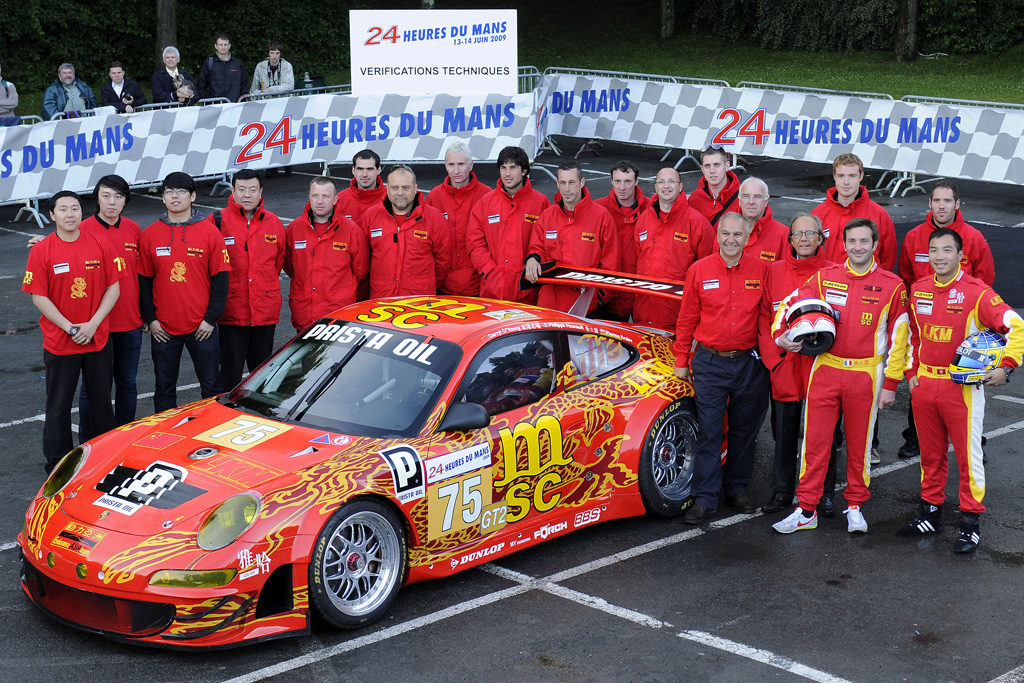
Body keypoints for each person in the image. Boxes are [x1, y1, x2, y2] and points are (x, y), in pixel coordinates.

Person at [771, 217, 909, 535]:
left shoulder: (893, 285)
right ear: (843, 244)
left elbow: (901, 338)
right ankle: (806, 509)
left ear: (875, 245)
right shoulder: (825, 276)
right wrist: (782, 335)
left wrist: (890, 383)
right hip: (826, 368)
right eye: (851, 241)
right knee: (815, 444)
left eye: (864, 241)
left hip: (866, 373)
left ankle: (856, 506)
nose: (857, 247)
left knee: (860, 446)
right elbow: (790, 303)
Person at [896, 228, 1022, 553]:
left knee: (969, 459)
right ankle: (931, 514)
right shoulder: (919, 288)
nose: (939, 257)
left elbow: (1015, 325)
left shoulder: (977, 292)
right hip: (924, 386)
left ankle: (969, 524)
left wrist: (1006, 366)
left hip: (961, 389)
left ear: (960, 255)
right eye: (934, 250)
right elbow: (912, 336)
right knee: (931, 456)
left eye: (947, 250)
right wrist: (911, 374)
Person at [673, 212, 770, 523]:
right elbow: (686, 318)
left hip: (749, 363)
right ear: (718, 236)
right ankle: (704, 497)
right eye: (726, 234)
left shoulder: (762, 270)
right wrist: (680, 360)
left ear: (747, 236)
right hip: (710, 362)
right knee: (709, 432)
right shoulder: (699, 270)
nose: (731, 240)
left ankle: (737, 488)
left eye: (737, 235)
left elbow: (770, 317)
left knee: (744, 431)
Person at [895, 180, 995, 459]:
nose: (942, 206)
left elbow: (985, 280)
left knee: (968, 382)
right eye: (937, 201)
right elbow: (906, 279)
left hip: (964, 324)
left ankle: (974, 440)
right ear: (929, 203)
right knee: (921, 380)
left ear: (957, 204)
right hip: (925, 323)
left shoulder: (973, 238)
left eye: (947, 201)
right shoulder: (915, 236)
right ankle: (915, 437)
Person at [22, 191, 121, 472]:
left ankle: (105, 455)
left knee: (102, 402)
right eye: (63, 209)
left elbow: (113, 287)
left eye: (75, 208)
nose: (70, 214)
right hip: (60, 343)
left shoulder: (100, 244)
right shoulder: (42, 251)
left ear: (82, 213)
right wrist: (70, 327)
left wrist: (92, 325)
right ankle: (58, 463)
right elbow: (39, 297)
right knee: (58, 406)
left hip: (97, 339)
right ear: (52, 215)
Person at [758, 214, 832, 513]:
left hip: (821, 365)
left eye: (810, 233)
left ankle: (824, 492)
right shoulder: (774, 271)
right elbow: (764, 315)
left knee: (822, 433)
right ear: (789, 240)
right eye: (797, 234)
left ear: (820, 239)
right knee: (784, 433)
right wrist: (774, 353)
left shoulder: (833, 272)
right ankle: (782, 491)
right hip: (785, 364)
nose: (803, 239)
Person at [138, 172, 229, 412]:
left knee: (211, 388)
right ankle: (164, 439)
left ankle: (213, 432)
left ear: (193, 196)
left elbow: (221, 280)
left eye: (181, 191)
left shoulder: (210, 232)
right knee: (164, 389)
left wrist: (211, 320)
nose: (174, 196)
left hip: (202, 328)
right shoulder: (149, 235)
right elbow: (144, 281)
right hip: (164, 329)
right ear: (163, 198)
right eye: (169, 191)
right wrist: (152, 320)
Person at [217, 170, 286, 391]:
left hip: (264, 311)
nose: (247, 195)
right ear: (233, 191)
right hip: (231, 312)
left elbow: (278, 262)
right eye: (242, 190)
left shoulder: (274, 223)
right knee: (229, 376)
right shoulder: (217, 221)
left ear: (261, 192)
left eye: (252, 190)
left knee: (263, 378)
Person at [524, 161, 621, 312]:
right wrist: (532, 259)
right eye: (563, 183)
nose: (567, 189)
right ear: (557, 184)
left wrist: (599, 298)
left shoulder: (601, 216)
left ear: (582, 182)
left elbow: (612, 262)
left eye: (572, 182)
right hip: (548, 304)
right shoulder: (547, 216)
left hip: (584, 306)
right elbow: (537, 248)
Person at [632, 167, 714, 330]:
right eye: (662, 182)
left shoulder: (696, 222)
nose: (666, 186)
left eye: (671, 181)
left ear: (680, 186)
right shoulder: (643, 220)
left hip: (679, 315)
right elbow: (637, 260)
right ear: (655, 187)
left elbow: (708, 270)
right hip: (643, 313)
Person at [466, 145, 551, 304]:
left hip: (527, 290)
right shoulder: (486, 202)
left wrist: (535, 261)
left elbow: (547, 243)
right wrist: (489, 270)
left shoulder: (540, 203)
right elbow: (474, 241)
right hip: (492, 290)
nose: (507, 173)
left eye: (513, 167)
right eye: (503, 167)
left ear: (524, 171)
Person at [284, 177, 369, 331]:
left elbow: (360, 270)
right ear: (309, 197)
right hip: (305, 313)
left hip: (338, 315)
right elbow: (290, 267)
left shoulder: (351, 230)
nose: (320, 201)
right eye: (315, 195)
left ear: (336, 199)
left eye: (326, 196)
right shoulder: (294, 229)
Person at [363, 165, 451, 298]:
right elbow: (362, 261)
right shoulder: (371, 216)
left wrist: (424, 285)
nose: (400, 193)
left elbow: (443, 261)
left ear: (415, 189)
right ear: (387, 189)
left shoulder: (434, 218)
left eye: (406, 187)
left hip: (419, 300)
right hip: (381, 299)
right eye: (395, 187)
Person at [426, 142, 490, 296]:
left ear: (471, 165)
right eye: (451, 164)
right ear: (445, 166)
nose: (456, 171)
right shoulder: (434, 197)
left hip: (478, 283)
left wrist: (489, 272)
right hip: (442, 284)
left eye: (461, 164)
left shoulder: (487, 196)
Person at [812, 153, 897, 270]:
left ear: (861, 176)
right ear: (834, 176)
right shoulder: (818, 214)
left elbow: (888, 258)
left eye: (852, 176)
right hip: (827, 284)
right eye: (841, 176)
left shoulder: (880, 215)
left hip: (866, 285)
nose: (846, 182)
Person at [594, 160, 651, 319]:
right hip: (607, 292)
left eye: (627, 182)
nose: (622, 187)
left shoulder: (651, 209)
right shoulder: (598, 209)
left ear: (637, 181)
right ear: (611, 181)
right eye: (617, 181)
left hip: (642, 291)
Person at [737, 177, 788, 262]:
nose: (751, 202)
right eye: (746, 196)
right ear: (739, 200)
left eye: (757, 197)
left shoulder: (783, 235)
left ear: (766, 201)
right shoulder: (726, 231)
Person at [687, 146, 741, 227]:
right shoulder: (694, 199)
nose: (712, 171)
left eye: (717, 165)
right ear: (702, 169)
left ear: (727, 166)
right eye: (707, 166)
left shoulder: (743, 198)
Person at [336, 149, 387, 227]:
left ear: (378, 170)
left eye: (369, 169)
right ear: (353, 170)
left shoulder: (390, 197)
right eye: (360, 169)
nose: (364, 174)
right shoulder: (340, 200)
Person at [198, 33, 247, 102]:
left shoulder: (238, 64)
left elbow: (244, 85)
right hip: (214, 106)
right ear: (216, 46)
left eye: (225, 45)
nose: (223, 47)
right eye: (220, 45)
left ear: (229, 46)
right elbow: (201, 85)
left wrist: (241, 101)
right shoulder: (209, 63)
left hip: (235, 106)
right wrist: (208, 102)